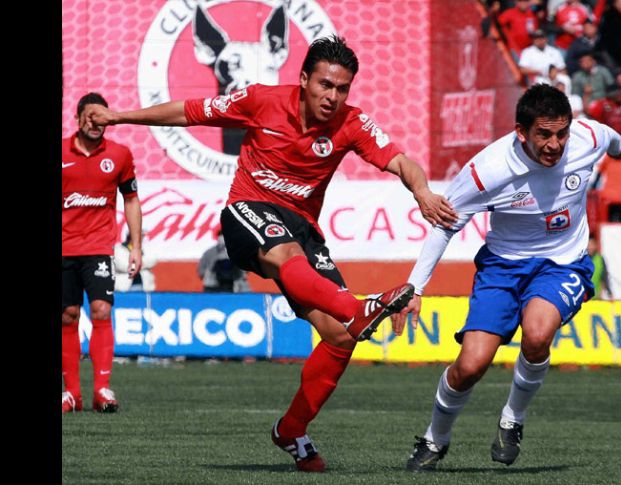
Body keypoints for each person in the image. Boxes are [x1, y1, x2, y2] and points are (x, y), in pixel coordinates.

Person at [84, 35, 457, 472]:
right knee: (290, 258)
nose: (332, 97)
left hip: (303, 229)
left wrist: (422, 191)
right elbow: (189, 113)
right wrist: (119, 115)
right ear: (303, 79)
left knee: (340, 336)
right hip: (248, 211)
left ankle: (292, 430)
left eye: (341, 89)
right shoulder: (261, 101)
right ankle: (358, 308)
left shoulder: (351, 124)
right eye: (324, 85)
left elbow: (401, 162)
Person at [391, 84, 621, 471]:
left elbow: (614, 140)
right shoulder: (488, 170)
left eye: (561, 133)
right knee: (471, 365)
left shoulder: (588, 137)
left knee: (537, 334)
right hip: (502, 267)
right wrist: (414, 288)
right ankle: (435, 440)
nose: (555, 144)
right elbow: (446, 224)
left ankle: (512, 418)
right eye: (544, 134)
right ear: (522, 132)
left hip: (562, 263)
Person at [62, 92, 144, 413]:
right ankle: (72, 394)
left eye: (102, 117)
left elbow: (132, 200)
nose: (96, 122)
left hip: (98, 248)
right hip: (64, 250)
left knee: (100, 311)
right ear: (79, 118)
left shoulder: (121, 155)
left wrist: (136, 245)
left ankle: (102, 390)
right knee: (67, 316)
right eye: (91, 116)